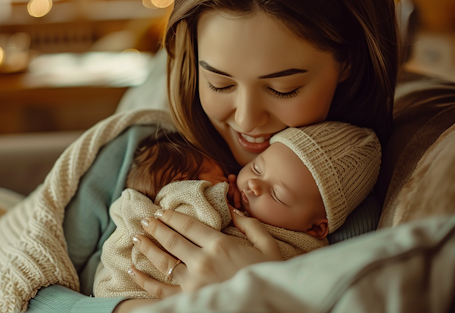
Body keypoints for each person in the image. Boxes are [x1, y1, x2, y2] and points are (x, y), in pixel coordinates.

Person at [26, 0, 400, 313]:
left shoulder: (345, 211)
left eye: (282, 88)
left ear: (349, 64)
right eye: (220, 83)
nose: (245, 118)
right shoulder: (138, 153)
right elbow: (22, 292)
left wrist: (269, 296)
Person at [94, 122, 381, 299]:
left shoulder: (308, 251)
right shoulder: (155, 147)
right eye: (257, 167)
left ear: (315, 228)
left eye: (278, 194)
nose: (254, 184)